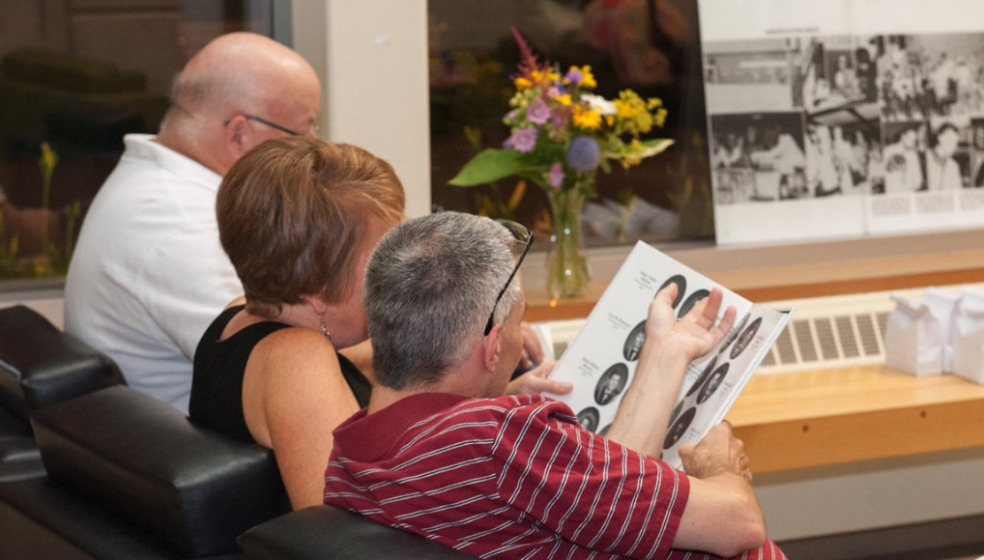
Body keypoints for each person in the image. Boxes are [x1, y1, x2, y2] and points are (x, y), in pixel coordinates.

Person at [325, 211, 787, 559]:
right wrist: (719, 469)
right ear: (491, 346)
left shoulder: (350, 455)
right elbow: (738, 520)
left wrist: (665, 355)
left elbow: (608, 498)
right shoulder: (496, 437)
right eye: (517, 320)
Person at [191, 139, 568, 509]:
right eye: (383, 255)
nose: (401, 267)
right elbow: (344, 526)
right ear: (316, 290)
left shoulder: (240, 313)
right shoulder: (297, 358)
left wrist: (496, 391)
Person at [64, 32, 321, 413]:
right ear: (239, 134)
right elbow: (280, 365)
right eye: (304, 132)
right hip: (220, 449)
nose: (315, 145)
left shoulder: (160, 187)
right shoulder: (181, 223)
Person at [582, 0, 690, 95]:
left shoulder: (593, 8)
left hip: (600, 96)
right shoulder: (649, 6)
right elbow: (689, 40)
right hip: (649, 94)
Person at [924, 122, 963, 190]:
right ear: (940, 137)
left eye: (955, 142)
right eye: (950, 140)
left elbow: (958, 191)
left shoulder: (954, 166)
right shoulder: (925, 158)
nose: (954, 146)